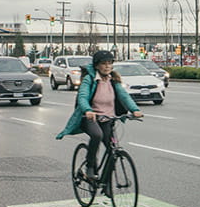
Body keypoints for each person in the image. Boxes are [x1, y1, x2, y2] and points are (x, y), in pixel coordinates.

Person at [56, 50, 143, 180]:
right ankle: (90, 166)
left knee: (113, 150)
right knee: (97, 135)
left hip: (108, 119)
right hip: (90, 118)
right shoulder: (89, 79)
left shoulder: (113, 80)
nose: (107, 66)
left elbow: (124, 96)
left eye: (110, 63)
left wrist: (134, 109)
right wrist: (87, 110)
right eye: (104, 63)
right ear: (97, 66)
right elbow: (83, 96)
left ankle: (105, 182)